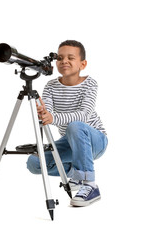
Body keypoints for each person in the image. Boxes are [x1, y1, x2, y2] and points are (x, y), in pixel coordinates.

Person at [26, 40, 108, 207]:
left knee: (75, 125)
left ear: (82, 64)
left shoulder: (90, 84)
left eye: (71, 57)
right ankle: (75, 174)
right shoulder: (50, 86)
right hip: (70, 143)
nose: (64, 61)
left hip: (95, 141)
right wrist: (42, 113)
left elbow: (83, 115)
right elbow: (48, 113)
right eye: (60, 58)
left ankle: (90, 185)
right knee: (34, 163)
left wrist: (53, 118)